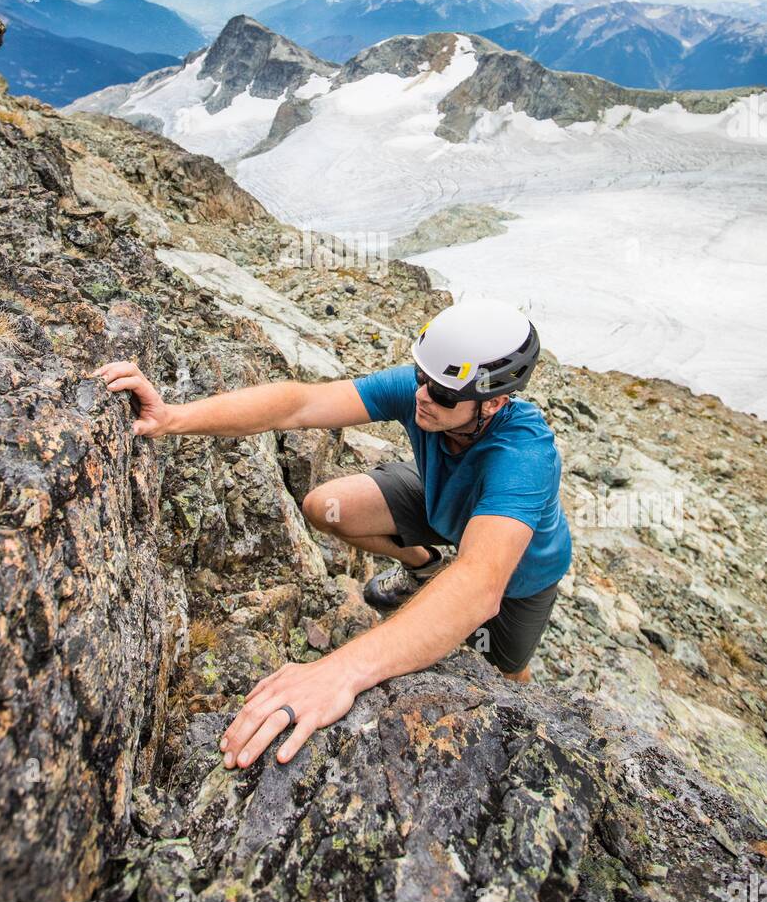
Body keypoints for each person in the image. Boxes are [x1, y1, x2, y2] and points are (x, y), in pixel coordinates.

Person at [93, 298, 572, 772]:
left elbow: (480, 584)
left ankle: (523, 705)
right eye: (422, 378)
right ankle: (425, 566)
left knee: (503, 667)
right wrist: (174, 417)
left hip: (518, 571)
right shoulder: (426, 393)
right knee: (327, 507)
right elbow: (302, 403)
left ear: (494, 401)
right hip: (441, 502)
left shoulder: (523, 456)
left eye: (445, 394)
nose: (423, 396)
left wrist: (339, 671)